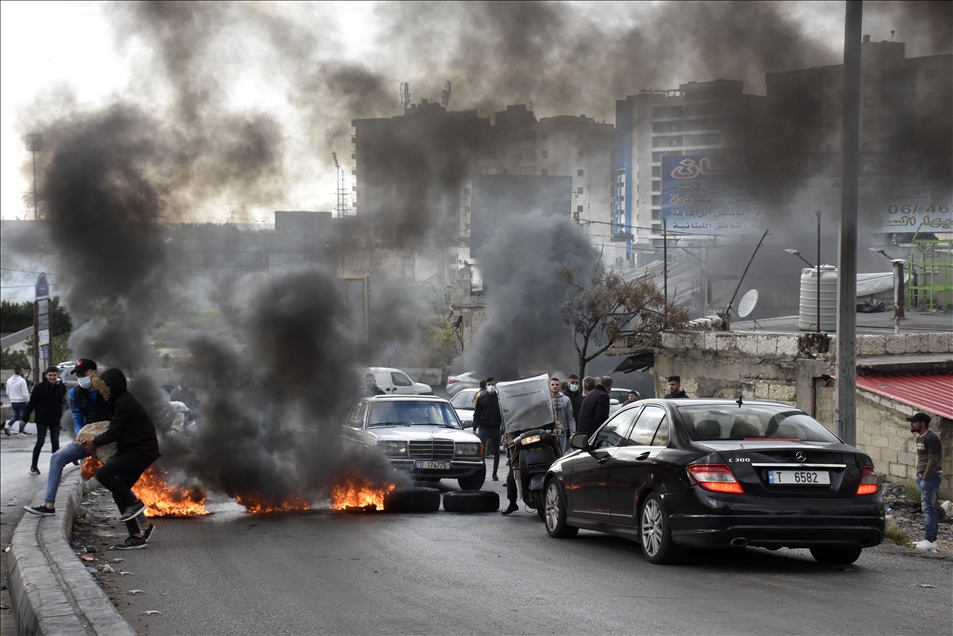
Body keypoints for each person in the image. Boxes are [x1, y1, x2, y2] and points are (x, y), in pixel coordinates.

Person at [23, 359, 153, 542]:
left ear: (95, 373)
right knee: (57, 458)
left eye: (84, 375)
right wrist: (82, 436)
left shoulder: (110, 393)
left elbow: (118, 424)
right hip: (88, 439)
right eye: (78, 375)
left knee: (119, 486)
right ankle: (49, 505)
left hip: (109, 441)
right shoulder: (76, 393)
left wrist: (100, 439)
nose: (81, 378)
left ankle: (143, 525)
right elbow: (77, 417)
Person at [81, 368, 160, 550]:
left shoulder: (124, 403)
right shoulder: (120, 401)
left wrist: (95, 441)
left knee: (103, 475)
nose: (101, 393)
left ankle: (135, 503)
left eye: (103, 389)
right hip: (138, 451)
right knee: (119, 491)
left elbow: (115, 432)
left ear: (112, 388)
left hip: (140, 451)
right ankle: (136, 536)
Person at [21, 366, 68, 475]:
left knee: (55, 442)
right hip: (41, 419)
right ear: (46, 375)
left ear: (57, 375)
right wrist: (25, 419)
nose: (52, 377)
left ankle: (55, 466)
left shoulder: (61, 387)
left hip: (55, 419)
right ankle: (34, 466)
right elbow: (31, 404)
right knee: (40, 442)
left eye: (54, 375)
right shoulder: (39, 388)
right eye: (50, 375)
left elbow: (65, 404)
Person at [907, 412, 943, 552]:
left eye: (914, 422)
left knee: (928, 508)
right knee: (929, 507)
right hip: (923, 477)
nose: (912, 424)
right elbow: (922, 459)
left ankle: (930, 540)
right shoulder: (919, 438)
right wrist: (918, 475)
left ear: (922, 424)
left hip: (930, 477)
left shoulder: (931, 438)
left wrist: (926, 477)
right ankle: (930, 540)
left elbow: (933, 460)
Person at [473, 376, 502, 481]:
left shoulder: (500, 398)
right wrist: (474, 427)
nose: (491, 386)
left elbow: (504, 415)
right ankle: (481, 473)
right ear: (486, 386)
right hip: (484, 428)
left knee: (496, 452)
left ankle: (495, 473)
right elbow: (477, 413)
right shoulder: (481, 397)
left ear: (495, 385)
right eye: (489, 384)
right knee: (481, 452)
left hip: (496, 428)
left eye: (492, 384)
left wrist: (503, 431)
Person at [550, 376, 576, 452]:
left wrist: (572, 432)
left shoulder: (566, 399)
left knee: (561, 453)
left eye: (557, 384)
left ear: (560, 386)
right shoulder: (546, 400)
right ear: (549, 386)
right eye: (552, 384)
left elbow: (570, 417)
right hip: (549, 433)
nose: (555, 386)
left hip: (562, 433)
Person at [5, 366, 30, 436]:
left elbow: (7, 392)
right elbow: (25, 393)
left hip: (13, 401)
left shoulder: (9, 380)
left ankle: (8, 425)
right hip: (21, 401)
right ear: (21, 371)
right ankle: (20, 432)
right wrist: (27, 401)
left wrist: (11, 398)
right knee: (23, 417)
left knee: (16, 415)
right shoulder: (22, 381)